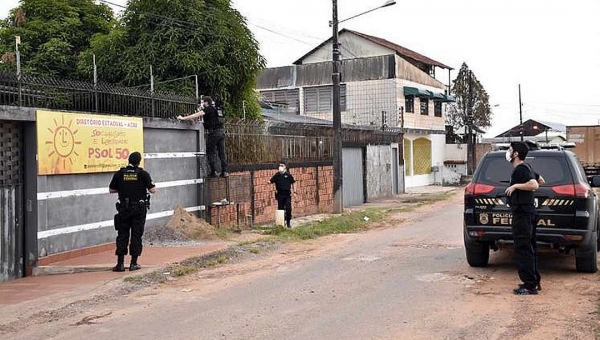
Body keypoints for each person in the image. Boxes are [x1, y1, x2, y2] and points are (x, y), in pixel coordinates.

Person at [109, 152, 157, 272]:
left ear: (128, 161)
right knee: (136, 235)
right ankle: (133, 263)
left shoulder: (120, 174)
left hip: (124, 209)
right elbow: (153, 190)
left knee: (122, 235)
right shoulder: (143, 174)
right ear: (139, 162)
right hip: (138, 210)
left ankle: (120, 264)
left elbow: (111, 190)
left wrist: (123, 188)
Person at [504, 142, 540, 295]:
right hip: (527, 212)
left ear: (516, 154)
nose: (508, 152)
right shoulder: (527, 168)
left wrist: (516, 187)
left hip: (523, 214)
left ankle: (529, 285)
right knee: (529, 247)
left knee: (522, 248)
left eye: (510, 149)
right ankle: (534, 281)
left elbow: (535, 185)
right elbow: (541, 180)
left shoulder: (521, 169)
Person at [177, 96, 228, 178]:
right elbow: (206, 121)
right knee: (222, 152)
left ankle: (213, 171)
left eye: (203, 102)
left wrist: (183, 118)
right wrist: (191, 119)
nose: (202, 104)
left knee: (210, 151)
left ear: (206, 102)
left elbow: (197, 114)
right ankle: (225, 171)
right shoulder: (216, 110)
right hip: (221, 132)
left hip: (214, 133)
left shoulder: (209, 108)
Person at [270, 161, 295, 228]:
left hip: (287, 195)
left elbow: (293, 182)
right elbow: (271, 181)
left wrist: (294, 192)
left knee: (288, 208)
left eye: (282, 166)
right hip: (280, 195)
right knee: (280, 209)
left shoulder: (288, 175)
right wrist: (269, 182)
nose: (280, 167)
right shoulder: (277, 175)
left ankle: (288, 222)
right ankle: (281, 223)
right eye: (279, 166)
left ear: (285, 167)